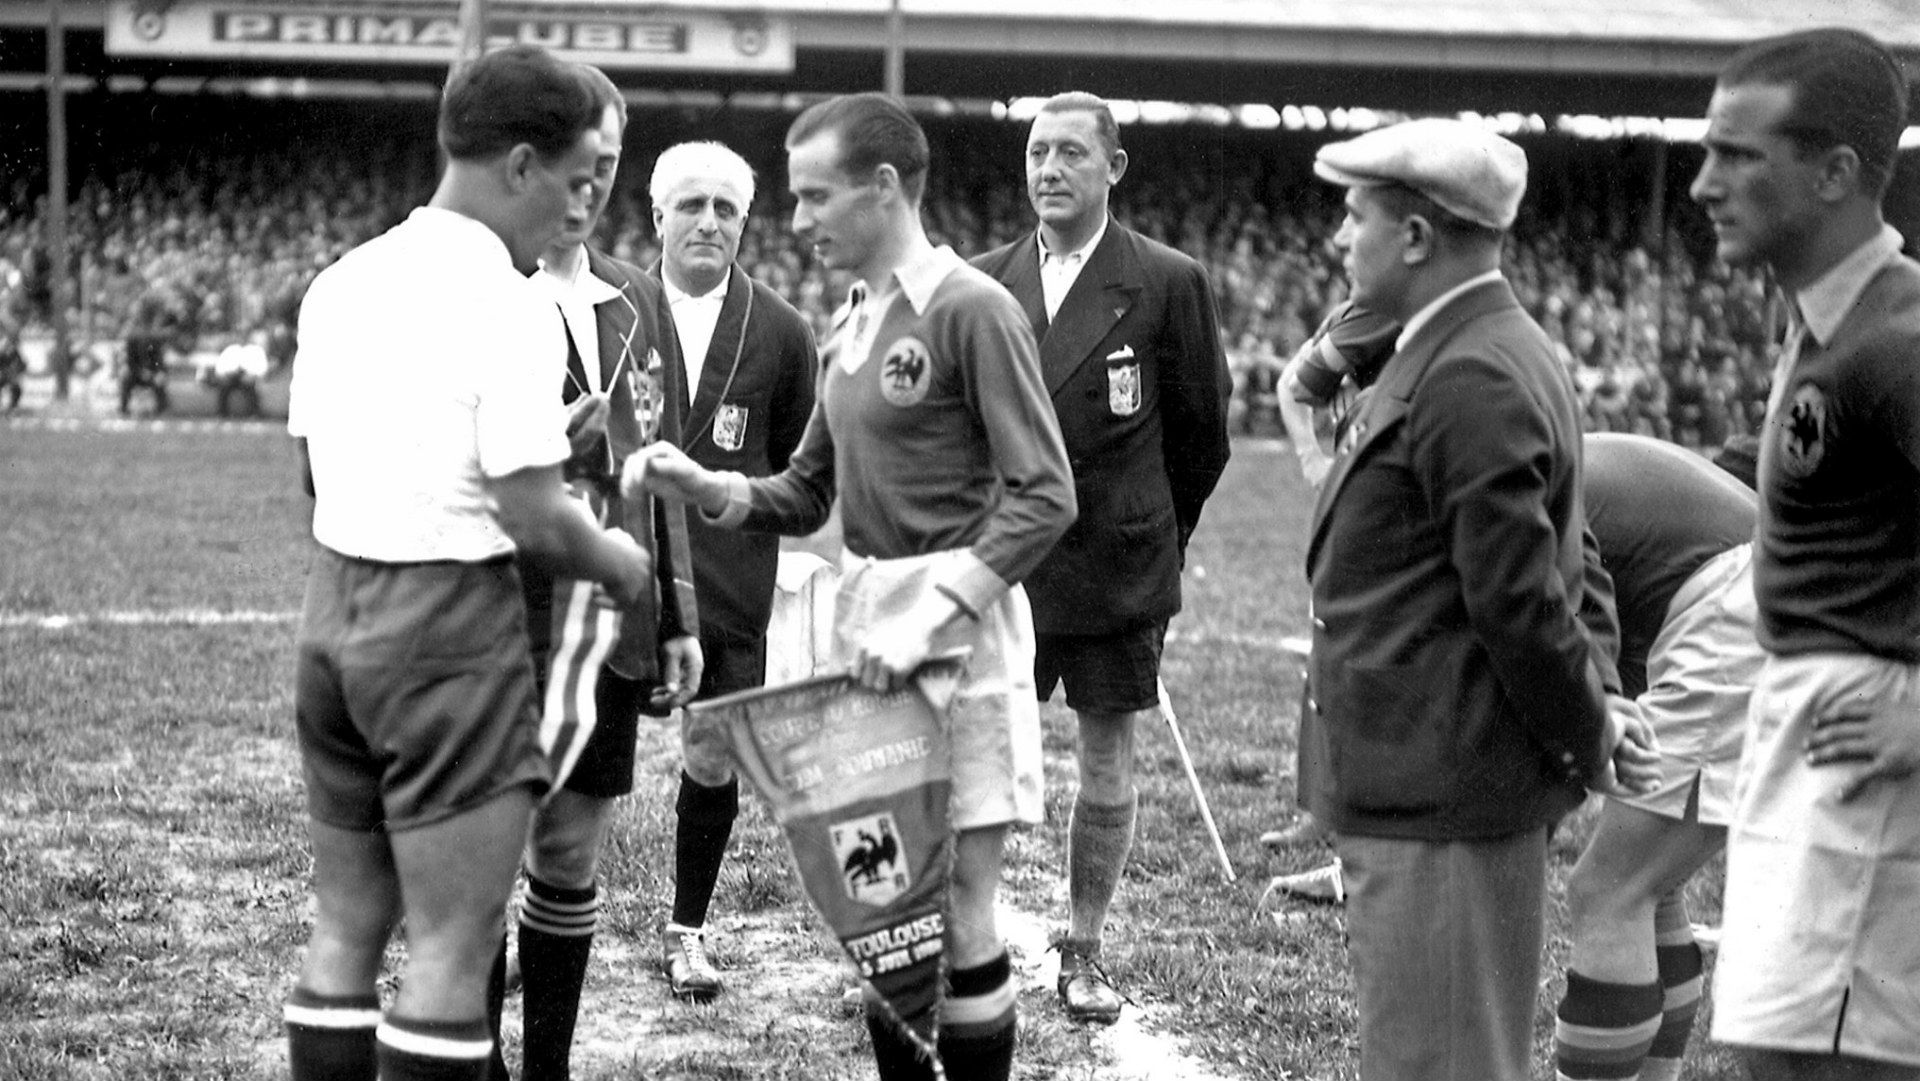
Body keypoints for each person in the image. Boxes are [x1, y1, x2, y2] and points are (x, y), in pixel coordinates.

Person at [625, 91, 1076, 1081]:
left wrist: (932, 616)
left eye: (815, 196)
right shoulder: (854, 322)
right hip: (868, 632)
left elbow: (1045, 498)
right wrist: (711, 486)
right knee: (889, 914)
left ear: (882, 190)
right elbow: (806, 490)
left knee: (958, 910)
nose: (797, 221)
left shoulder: (972, 309)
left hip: (958, 638)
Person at [282, 45, 652, 1081]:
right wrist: (621, 562)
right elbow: (535, 517)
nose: (584, 207)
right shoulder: (509, 302)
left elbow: (316, 477)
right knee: (452, 944)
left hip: (334, 617)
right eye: (581, 178)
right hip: (447, 629)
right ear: (523, 165)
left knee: (347, 926)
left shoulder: (342, 279)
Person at [1303, 118, 1655, 1081]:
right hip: (1429, 781)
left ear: (1417, 237)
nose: (1339, 238)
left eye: (1355, 214)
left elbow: (1524, 598)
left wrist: (1588, 725)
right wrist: (1601, 698)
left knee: (1442, 1065)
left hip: (1447, 788)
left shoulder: (1467, 368)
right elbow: (1570, 551)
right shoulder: (1476, 344)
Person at [969, 91, 1231, 1025]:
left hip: (1114, 564)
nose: (1049, 169)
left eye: (1072, 153)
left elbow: (1201, 436)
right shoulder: (982, 279)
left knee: (1107, 760)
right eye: (1038, 151)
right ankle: (957, 939)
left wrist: (1155, 534)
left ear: (1113, 167)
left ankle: (1084, 946)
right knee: (976, 756)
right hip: (1004, 567)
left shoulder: (1166, 280)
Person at [1689, 28, 1920, 1081]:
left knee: (1819, 1068)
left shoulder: (1898, 340)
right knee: (1773, 1056)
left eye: (1740, 155)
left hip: (1867, 761)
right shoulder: (1827, 322)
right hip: (1808, 745)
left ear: (1834, 173)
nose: (1703, 183)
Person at [505, 63, 701, 1081]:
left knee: (570, 852)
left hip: (612, 622)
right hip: (499, 616)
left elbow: (652, 472)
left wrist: (674, 612)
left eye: (612, 165)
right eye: (584, 162)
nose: (595, 186)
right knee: (487, 855)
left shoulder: (635, 297)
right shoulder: (483, 292)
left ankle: (546, 1066)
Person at [643, 139, 818, 1002]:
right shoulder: (612, 309)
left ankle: (687, 930)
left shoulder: (783, 331)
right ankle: (539, 912)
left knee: (710, 758)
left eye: (725, 208)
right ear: (658, 217)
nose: (707, 221)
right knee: (565, 751)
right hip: (616, 576)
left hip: (724, 588)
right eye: (691, 204)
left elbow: (800, 478)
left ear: (746, 224)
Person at [1552, 433, 1761, 1081]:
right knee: (1651, 881)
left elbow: (1547, 629)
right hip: (1763, 598)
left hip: (1738, 609)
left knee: (1610, 888)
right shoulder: (1543, 449)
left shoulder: (1495, 475)